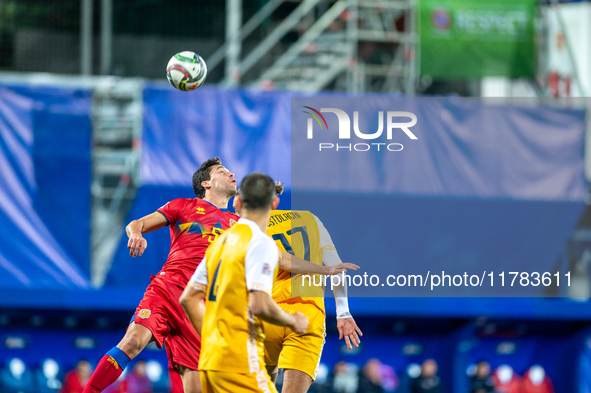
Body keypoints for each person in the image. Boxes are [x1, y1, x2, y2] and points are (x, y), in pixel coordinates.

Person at [83, 157, 239, 393]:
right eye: (222, 170)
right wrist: (136, 234)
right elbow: (136, 223)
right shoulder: (183, 206)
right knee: (133, 341)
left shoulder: (239, 225)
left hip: (200, 309)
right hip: (167, 289)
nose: (230, 173)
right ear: (206, 183)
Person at [180, 172, 309, 393]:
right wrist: (293, 321)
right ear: (275, 203)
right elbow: (259, 304)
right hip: (240, 360)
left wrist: (214, 340)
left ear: (238, 202)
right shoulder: (261, 243)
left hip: (211, 361)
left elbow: (188, 298)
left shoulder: (219, 243)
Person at [260, 182, 362, 393]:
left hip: (268, 313)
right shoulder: (310, 219)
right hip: (308, 315)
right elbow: (337, 267)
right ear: (274, 200)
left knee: (260, 388)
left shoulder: (246, 227)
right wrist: (343, 312)